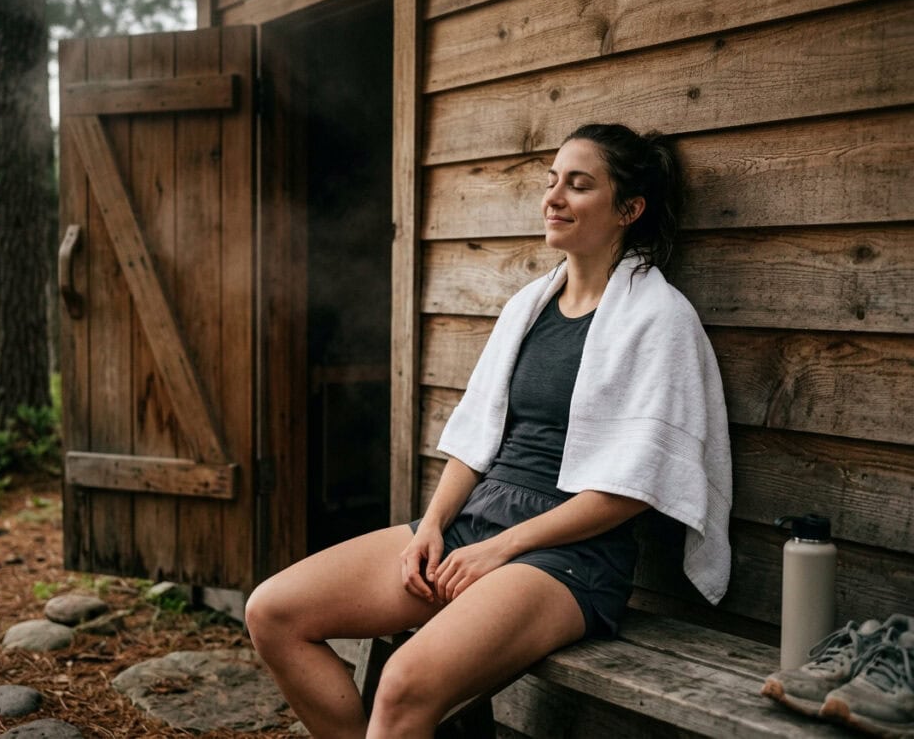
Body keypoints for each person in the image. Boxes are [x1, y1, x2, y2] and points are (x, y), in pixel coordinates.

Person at [245, 122, 733, 739]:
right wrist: (432, 526)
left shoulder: (661, 319)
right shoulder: (529, 306)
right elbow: (477, 438)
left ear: (629, 210)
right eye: (552, 181)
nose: (553, 198)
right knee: (274, 612)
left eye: (578, 186)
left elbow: (633, 487)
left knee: (402, 683)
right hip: (478, 522)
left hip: (568, 557)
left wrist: (503, 550)